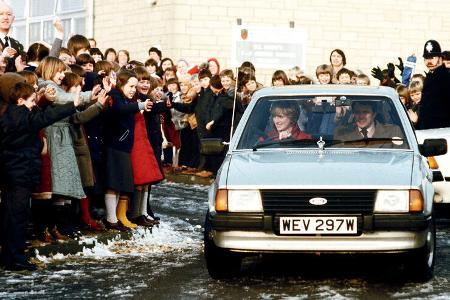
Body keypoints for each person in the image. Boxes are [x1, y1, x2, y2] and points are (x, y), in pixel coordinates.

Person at [0, 81, 79, 271]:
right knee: (17, 216)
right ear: (20, 101)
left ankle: (11, 255)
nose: (33, 105)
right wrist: (71, 105)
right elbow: (45, 117)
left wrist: (40, 95)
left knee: (12, 214)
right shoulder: (20, 116)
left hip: (13, 172)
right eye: (31, 101)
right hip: (20, 173)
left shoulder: (11, 114)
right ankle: (14, 258)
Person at [334, 101, 404, 148]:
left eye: (365, 112)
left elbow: (403, 159)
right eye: (357, 112)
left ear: (374, 114)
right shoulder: (342, 132)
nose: (361, 116)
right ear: (353, 114)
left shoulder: (393, 131)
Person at [417, 39, 450, 130]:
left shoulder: (446, 78)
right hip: (429, 130)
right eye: (427, 58)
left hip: (441, 131)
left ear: (440, 58)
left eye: (433, 57)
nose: (429, 61)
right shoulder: (431, 76)